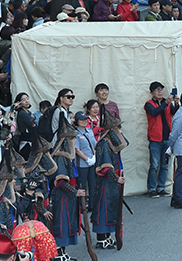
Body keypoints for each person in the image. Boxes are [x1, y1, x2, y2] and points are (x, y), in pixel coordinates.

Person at [92, 105, 127, 249]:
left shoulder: (111, 142)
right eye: (116, 128)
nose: (119, 131)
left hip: (111, 182)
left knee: (110, 208)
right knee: (103, 208)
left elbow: (124, 143)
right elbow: (105, 166)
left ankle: (107, 236)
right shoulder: (104, 144)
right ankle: (102, 238)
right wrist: (116, 178)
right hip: (105, 182)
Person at [50, 120, 84, 261]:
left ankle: (63, 253)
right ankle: (58, 254)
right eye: (72, 138)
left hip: (67, 197)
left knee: (67, 224)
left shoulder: (67, 156)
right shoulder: (61, 157)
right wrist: (75, 192)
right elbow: (61, 182)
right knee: (62, 224)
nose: (74, 141)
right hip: (62, 197)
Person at [144, 81, 178, 198]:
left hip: (167, 138)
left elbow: (176, 113)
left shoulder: (167, 103)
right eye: (157, 90)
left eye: (161, 89)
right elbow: (154, 112)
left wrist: (177, 103)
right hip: (155, 139)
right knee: (154, 165)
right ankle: (151, 188)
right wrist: (166, 103)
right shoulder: (149, 104)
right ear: (152, 92)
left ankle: (161, 187)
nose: (159, 92)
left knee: (164, 165)